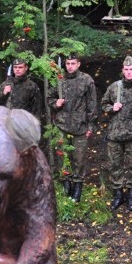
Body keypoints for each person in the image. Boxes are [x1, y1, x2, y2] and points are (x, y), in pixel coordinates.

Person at [100, 55, 132, 212]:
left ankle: (131, 195)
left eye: (131, 69)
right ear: (122, 70)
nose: (129, 72)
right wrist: (111, 108)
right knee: (114, 165)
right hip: (115, 134)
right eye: (126, 69)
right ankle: (118, 194)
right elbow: (103, 104)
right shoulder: (115, 87)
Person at [48, 52, 97, 202]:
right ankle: (66, 184)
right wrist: (55, 103)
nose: (70, 67)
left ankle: (78, 187)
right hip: (62, 124)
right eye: (67, 64)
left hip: (80, 126)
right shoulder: (59, 79)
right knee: (63, 157)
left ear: (78, 64)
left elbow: (92, 104)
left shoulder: (86, 80)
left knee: (79, 158)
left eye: (73, 63)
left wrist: (91, 125)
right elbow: (50, 97)